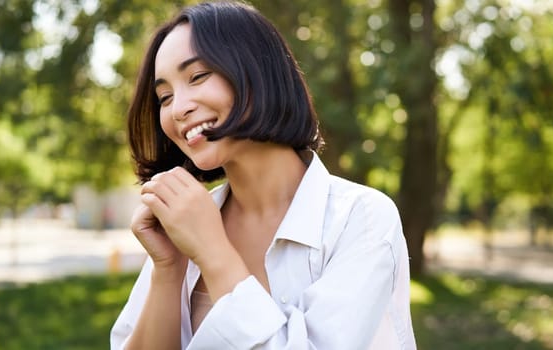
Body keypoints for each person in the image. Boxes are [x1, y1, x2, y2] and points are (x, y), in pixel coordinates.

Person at [110, 2, 416, 349]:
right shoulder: (186, 220)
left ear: (257, 73)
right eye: (164, 96)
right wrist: (169, 268)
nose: (178, 108)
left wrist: (212, 252)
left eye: (197, 77)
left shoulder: (360, 218)